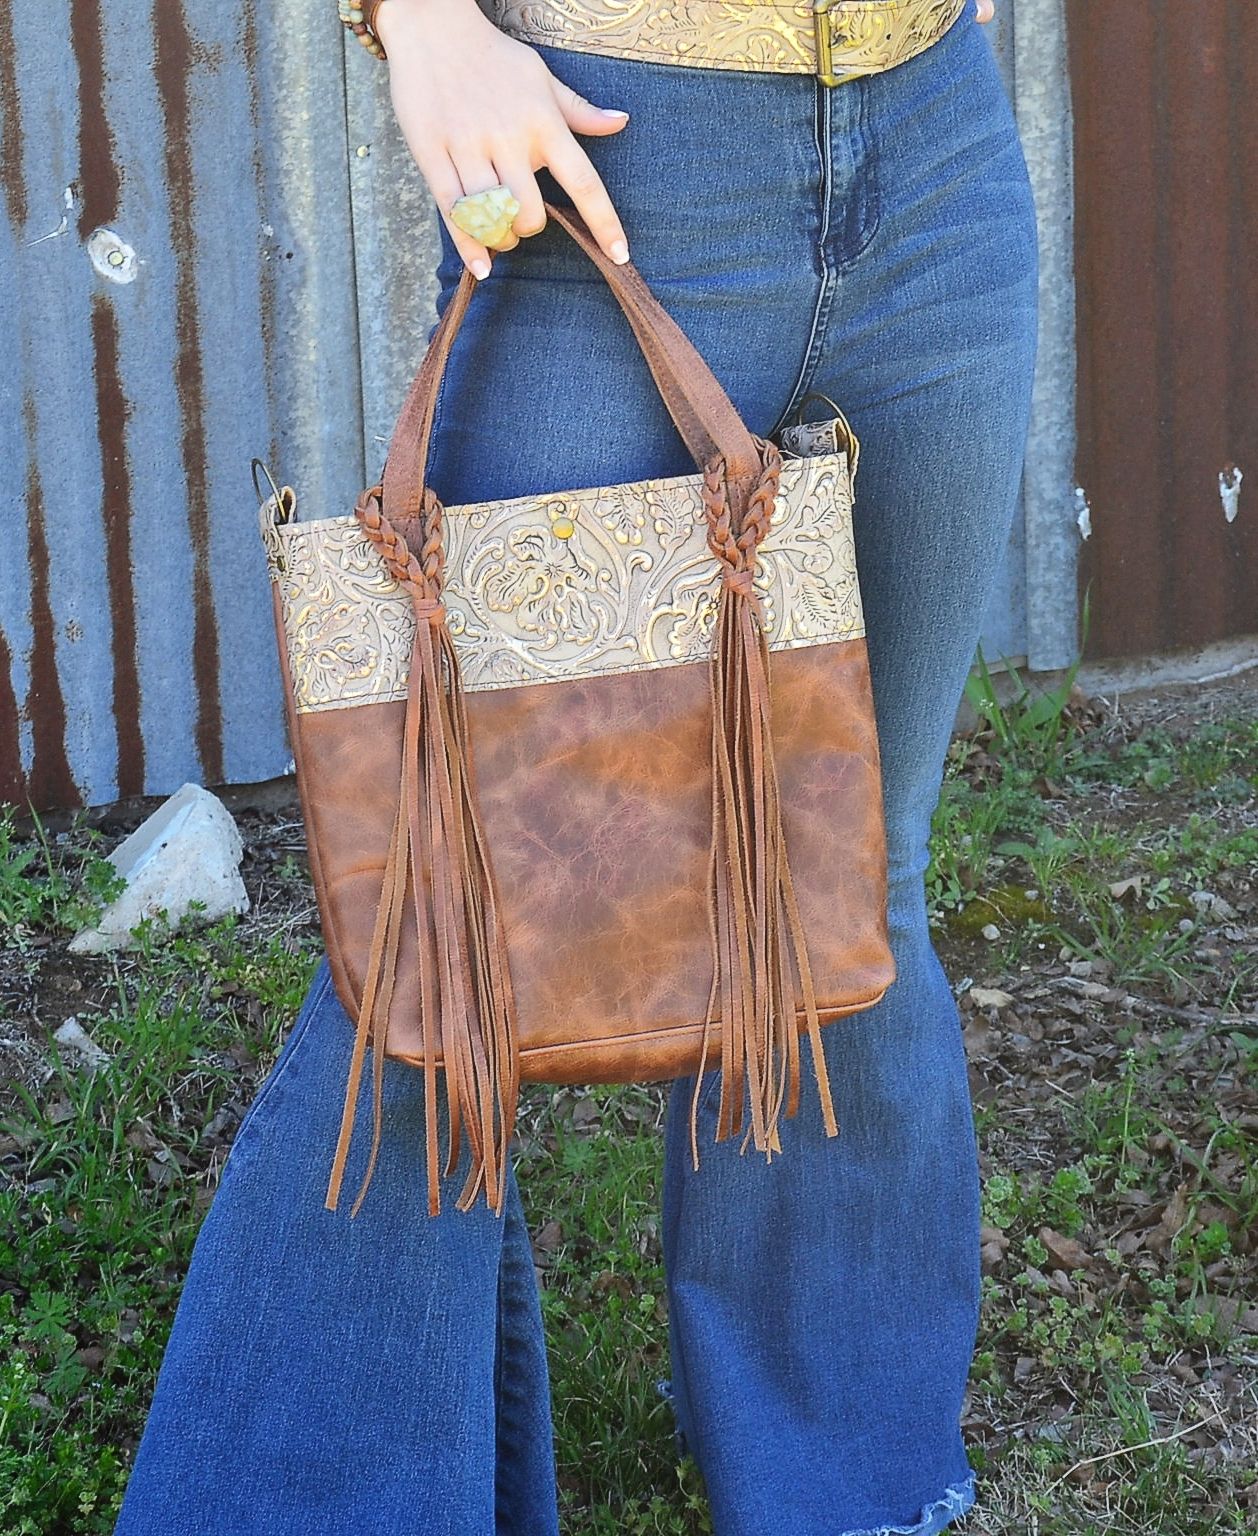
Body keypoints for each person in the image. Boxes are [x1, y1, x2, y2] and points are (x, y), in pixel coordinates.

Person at [114, 0, 1036, 1531]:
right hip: (607, 148)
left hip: (933, 152)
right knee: (444, 920)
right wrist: (417, 28)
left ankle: (844, 1487)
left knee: (854, 877)